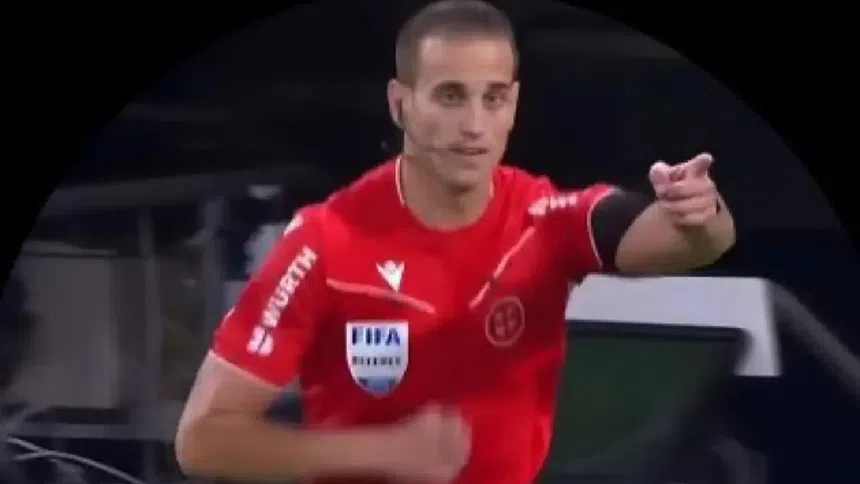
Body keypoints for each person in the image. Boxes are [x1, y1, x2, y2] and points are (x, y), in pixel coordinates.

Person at [174, 1, 736, 483]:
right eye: (450, 96)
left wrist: (699, 215)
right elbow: (202, 439)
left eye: (493, 98)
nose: (474, 124)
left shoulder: (543, 220)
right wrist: (384, 452)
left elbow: (687, 242)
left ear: (513, 105)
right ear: (400, 104)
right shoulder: (324, 242)